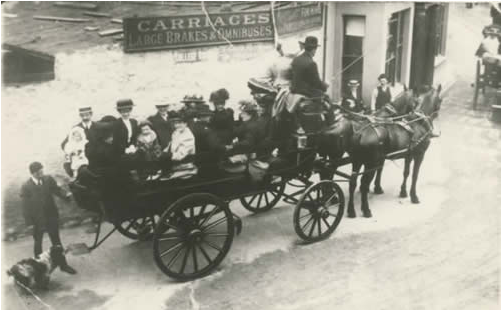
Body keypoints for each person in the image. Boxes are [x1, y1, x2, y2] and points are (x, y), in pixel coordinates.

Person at [20, 162, 77, 274]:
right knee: (38, 244)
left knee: (56, 242)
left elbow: (56, 190)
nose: (42, 173)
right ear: (34, 173)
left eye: (42, 170)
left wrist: (66, 195)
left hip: (51, 216)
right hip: (37, 220)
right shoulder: (26, 186)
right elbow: (25, 207)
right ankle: (39, 269)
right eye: (40, 172)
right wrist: (30, 223)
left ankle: (63, 265)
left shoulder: (48, 179)